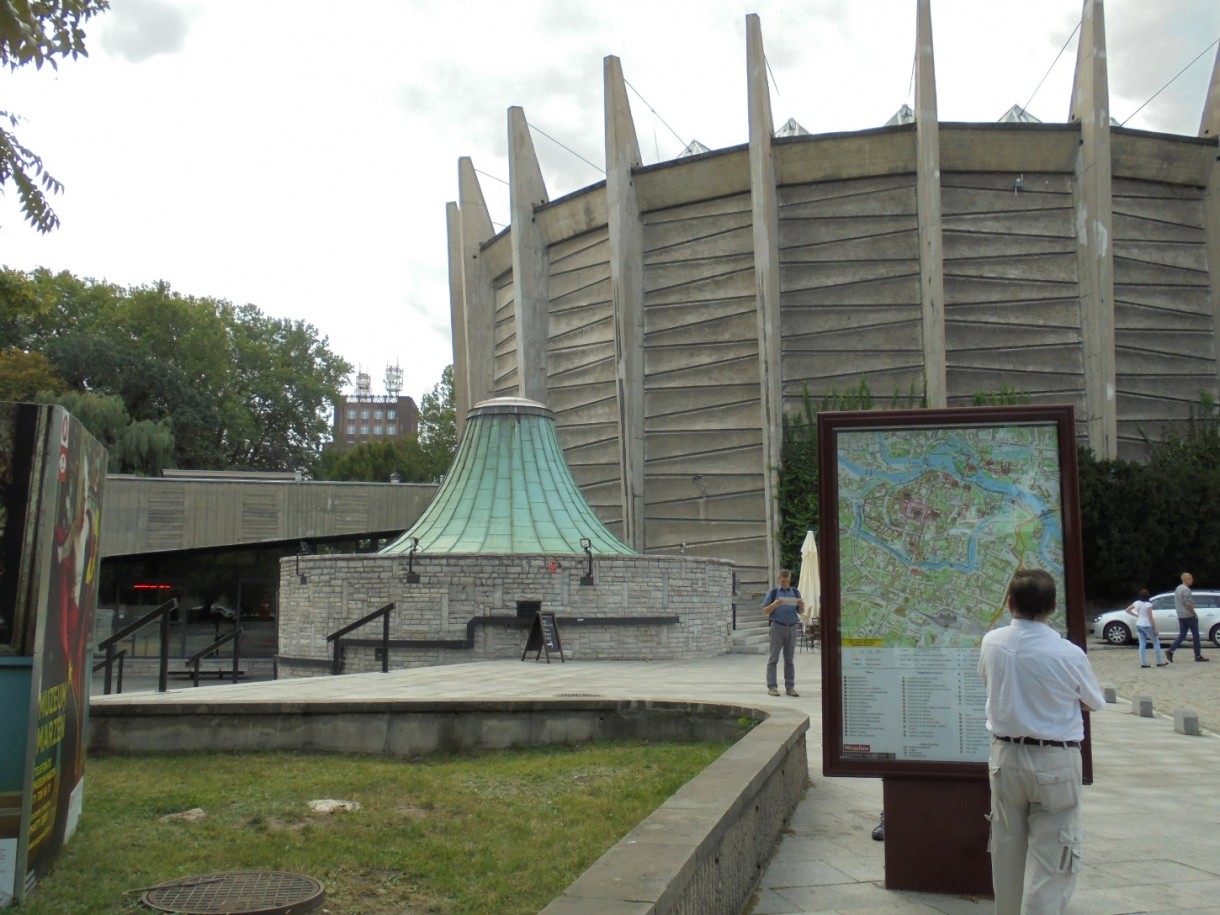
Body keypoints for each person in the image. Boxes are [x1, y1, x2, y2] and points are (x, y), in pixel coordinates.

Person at [978, 569, 1106, 915]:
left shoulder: (992, 642)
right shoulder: (1068, 653)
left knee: (1006, 847)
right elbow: (1094, 701)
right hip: (1055, 758)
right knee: (1055, 858)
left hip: (1005, 755)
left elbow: (987, 681)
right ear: (1052, 607)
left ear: (1010, 603)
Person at [762, 568, 804, 696]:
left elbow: (800, 612)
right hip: (777, 627)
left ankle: (790, 687)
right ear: (778, 579)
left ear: (790, 580)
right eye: (783, 581)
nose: (785, 583)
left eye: (787, 581)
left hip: (792, 627)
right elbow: (765, 611)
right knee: (773, 658)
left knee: (789, 660)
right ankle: (772, 687)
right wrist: (774, 605)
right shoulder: (773, 592)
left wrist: (802, 606)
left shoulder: (795, 592)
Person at [1167, 572, 1208, 662]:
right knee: (1196, 635)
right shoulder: (1186, 590)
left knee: (1182, 634)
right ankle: (1197, 656)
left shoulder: (1178, 588)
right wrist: (1194, 613)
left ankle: (1171, 650)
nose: (1192, 580)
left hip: (1180, 615)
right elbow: (1188, 603)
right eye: (1190, 578)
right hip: (1189, 615)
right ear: (1185, 579)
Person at [1124, 588, 1167, 668]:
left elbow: (1127, 610)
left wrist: (1136, 615)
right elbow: (1150, 618)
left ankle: (1143, 663)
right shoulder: (1148, 605)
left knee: (1142, 643)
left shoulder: (1136, 603)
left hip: (1139, 624)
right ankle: (1159, 661)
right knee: (1156, 642)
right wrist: (1155, 628)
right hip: (1147, 625)